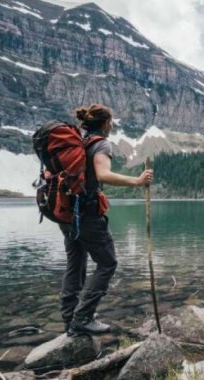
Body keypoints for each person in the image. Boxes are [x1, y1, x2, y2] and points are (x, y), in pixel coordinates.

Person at [59, 103, 153, 335]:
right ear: (105, 123)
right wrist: (137, 181)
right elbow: (103, 174)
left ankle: (70, 317)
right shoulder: (100, 143)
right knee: (107, 263)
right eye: (111, 121)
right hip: (87, 214)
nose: (112, 125)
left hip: (66, 212)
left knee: (76, 264)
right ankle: (82, 318)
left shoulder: (76, 140)